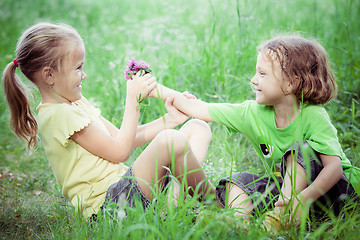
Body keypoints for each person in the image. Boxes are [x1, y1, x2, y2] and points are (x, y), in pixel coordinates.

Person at [2, 22, 216, 219]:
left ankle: (173, 208)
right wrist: (133, 100)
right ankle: (218, 208)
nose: (83, 75)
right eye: (78, 68)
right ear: (49, 76)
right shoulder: (57, 115)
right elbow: (120, 152)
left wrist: (170, 120)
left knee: (197, 128)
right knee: (172, 141)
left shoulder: (73, 103)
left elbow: (123, 138)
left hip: (125, 190)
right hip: (109, 208)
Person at [152, 35, 360, 228]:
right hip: (289, 191)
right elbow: (199, 108)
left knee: (300, 150)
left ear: (291, 82)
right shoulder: (252, 113)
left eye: (262, 74)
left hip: (338, 192)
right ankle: (236, 223)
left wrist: (302, 199)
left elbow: (334, 169)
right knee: (240, 180)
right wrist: (152, 88)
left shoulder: (314, 116)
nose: (253, 80)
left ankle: (280, 219)